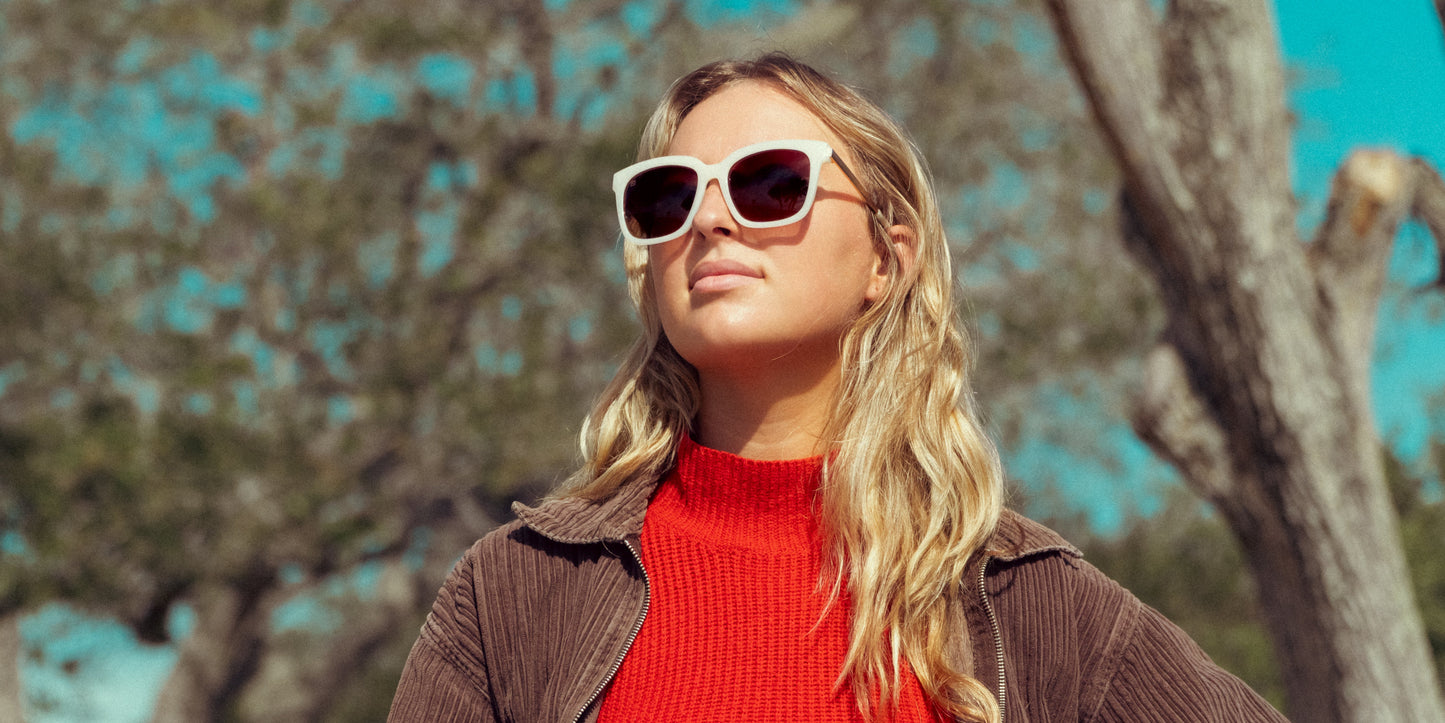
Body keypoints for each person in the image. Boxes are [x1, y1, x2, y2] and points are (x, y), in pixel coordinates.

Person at [387, 53, 1289, 723]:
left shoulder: (1029, 601)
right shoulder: (518, 589)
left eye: (768, 184)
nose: (707, 220)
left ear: (886, 258)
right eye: (666, 196)